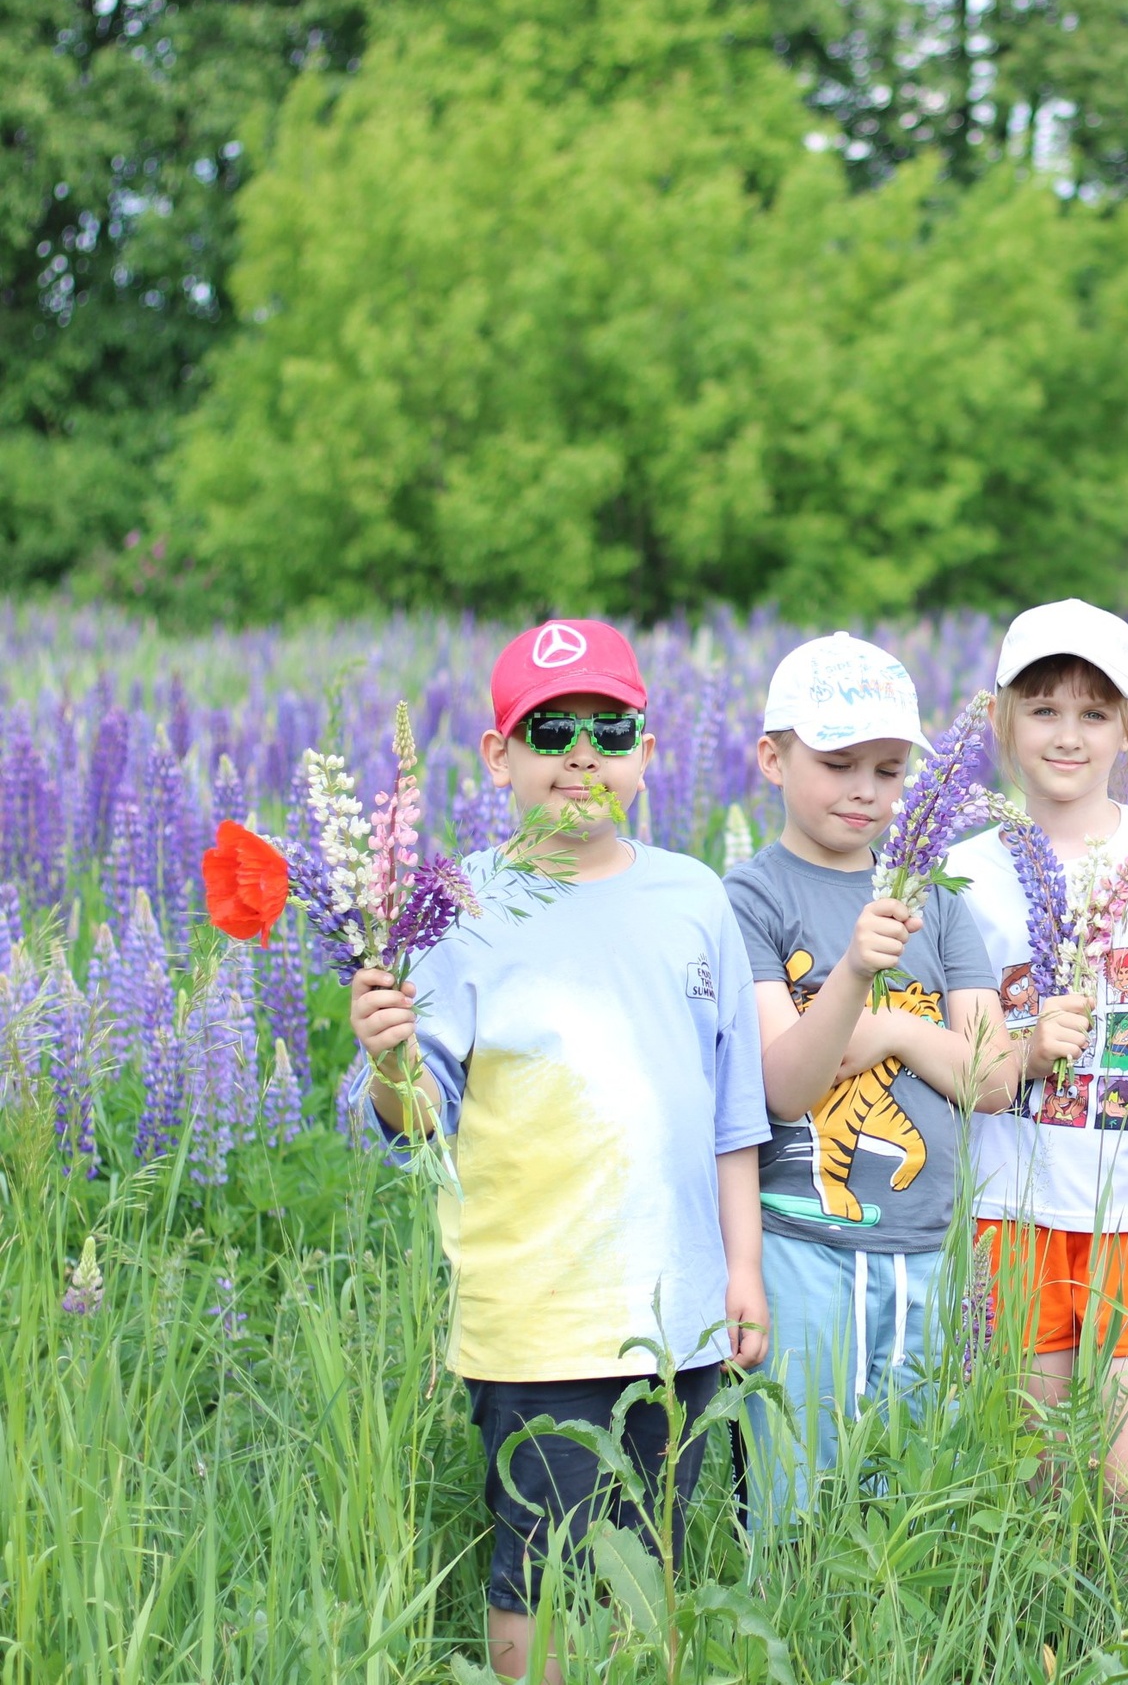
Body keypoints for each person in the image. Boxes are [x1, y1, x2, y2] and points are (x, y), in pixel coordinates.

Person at [347, 619, 768, 1685]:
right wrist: (388, 1053)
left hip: (678, 1318)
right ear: (498, 756)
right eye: (549, 729)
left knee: (653, 1560)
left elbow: (732, 1111)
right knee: (535, 1565)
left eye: (607, 727)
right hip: (534, 1316)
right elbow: (418, 1124)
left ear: (647, 749)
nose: (581, 753)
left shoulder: (694, 898)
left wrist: (743, 1272)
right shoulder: (453, 910)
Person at [944, 599, 1128, 1496]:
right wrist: (1026, 1051)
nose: (1069, 735)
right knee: (1032, 1485)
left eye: (1095, 712)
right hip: (1013, 1208)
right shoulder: (969, 868)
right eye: (1043, 709)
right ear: (1001, 719)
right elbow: (970, 1060)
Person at [723, 633, 1007, 1520]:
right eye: (839, 762)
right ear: (772, 757)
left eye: (889, 770)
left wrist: (884, 1025)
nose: (865, 790)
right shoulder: (751, 897)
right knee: (797, 1495)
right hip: (803, 1240)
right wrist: (851, 973)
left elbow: (992, 1077)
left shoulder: (941, 897)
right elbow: (786, 1085)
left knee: (911, 1494)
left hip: (929, 1243)